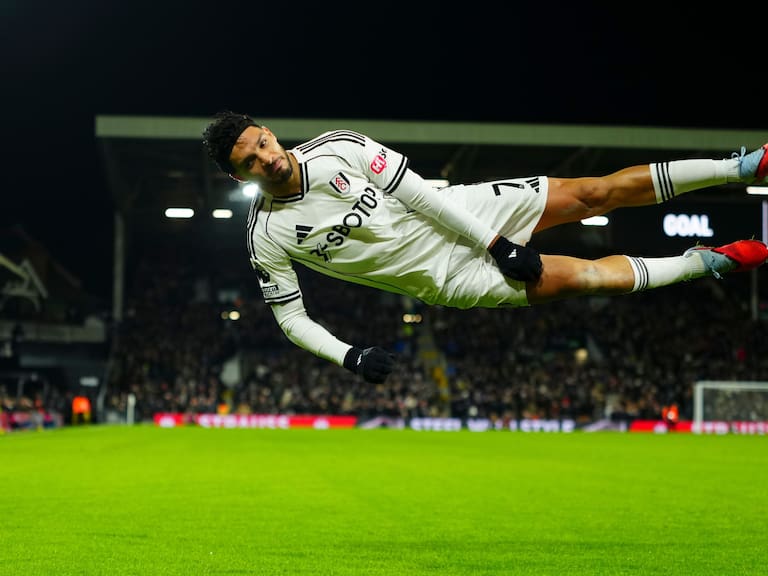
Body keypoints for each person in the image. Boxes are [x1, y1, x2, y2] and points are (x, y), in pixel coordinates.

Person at [202, 111, 768, 385]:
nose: (266, 158)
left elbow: (421, 196)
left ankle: (739, 167)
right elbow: (291, 319)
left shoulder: (339, 149)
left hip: (468, 214)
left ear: (269, 132)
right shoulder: (267, 233)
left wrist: (496, 241)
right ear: (239, 177)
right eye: (249, 162)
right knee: (588, 279)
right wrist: (347, 354)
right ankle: (707, 262)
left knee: (595, 193)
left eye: (262, 142)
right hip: (447, 279)